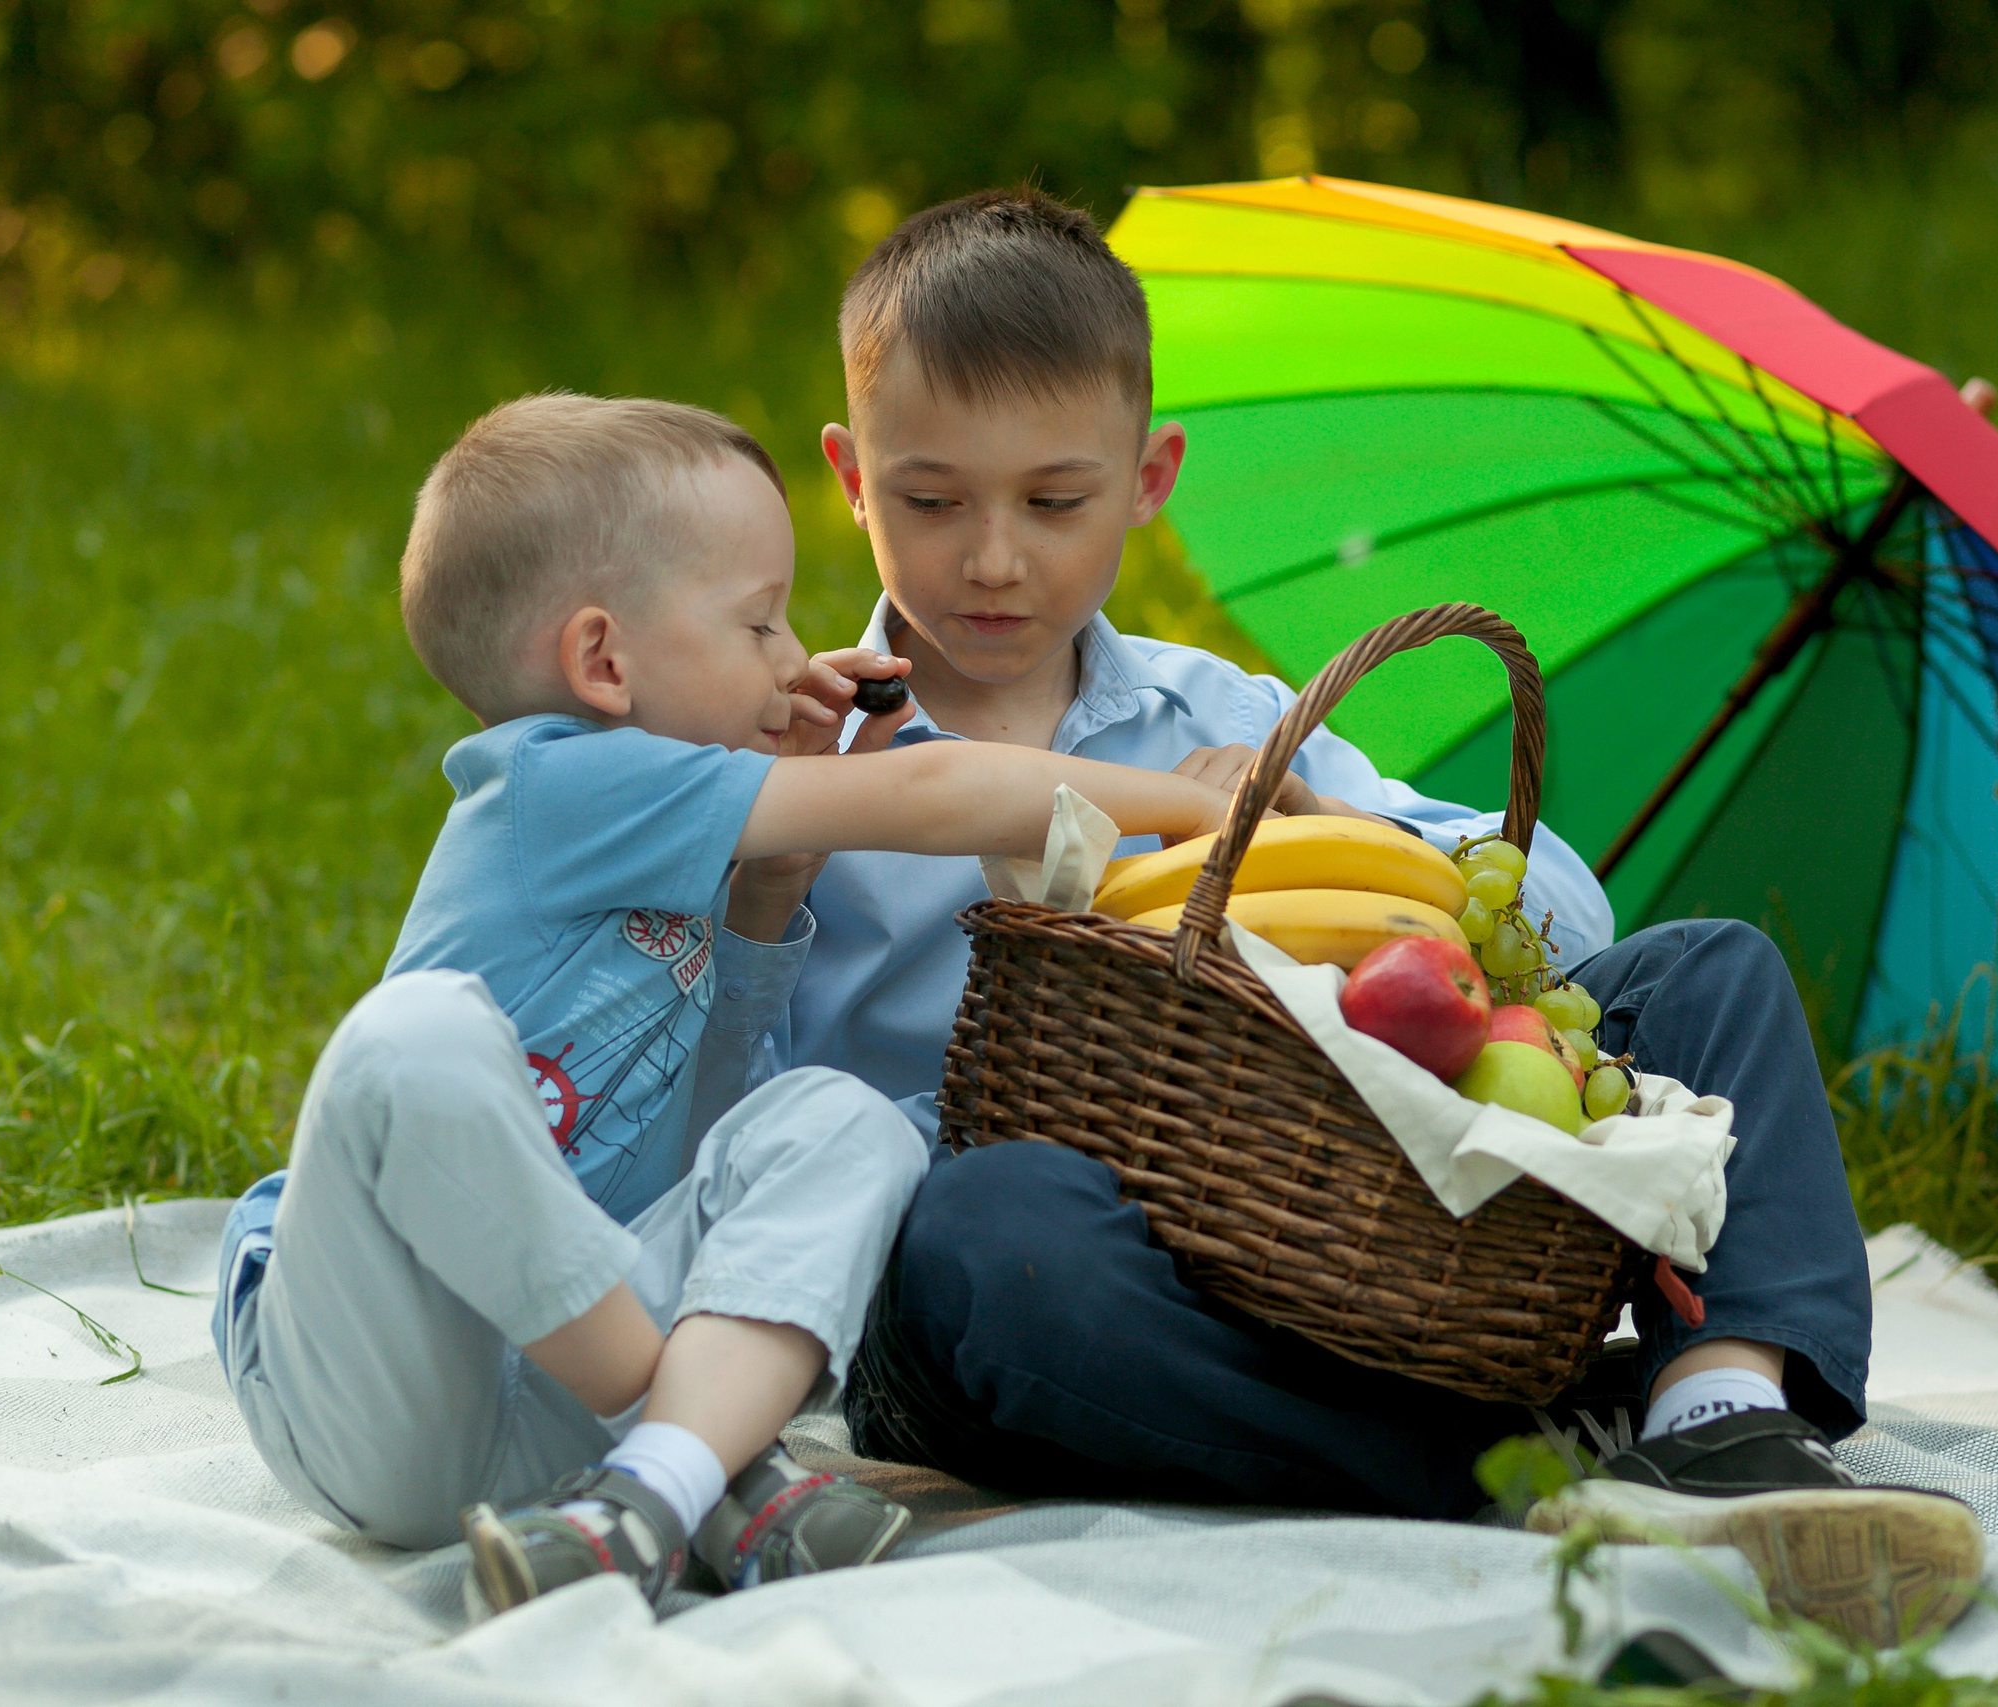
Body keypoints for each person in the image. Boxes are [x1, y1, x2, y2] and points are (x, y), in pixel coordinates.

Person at [763, 189, 1984, 1642]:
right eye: (932, 498)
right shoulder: (808, 753)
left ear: (1150, 475)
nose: (994, 559)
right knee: (986, 1226)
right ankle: (1512, 1461)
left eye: (1054, 499)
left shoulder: (1216, 714)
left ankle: (1721, 1403)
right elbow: (733, 1092)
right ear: (848, 474)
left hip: (1317, 1227)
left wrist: (1330, 830)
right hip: (1053, 1287)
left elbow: (1555, 912)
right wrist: (768, 863)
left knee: (1705, 975)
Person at [210, 393, 1243, 1621]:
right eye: (757, 622)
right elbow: (933, 795)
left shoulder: (696, 851)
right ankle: (713, 1470)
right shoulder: (556, 782)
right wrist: (1193, 810)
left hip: (566, 1428)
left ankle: (650, 1496)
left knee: (841, 1117)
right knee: (408, 1037)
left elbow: (699, 1127)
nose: (791, 657)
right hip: (377, 1380)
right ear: (603, 662)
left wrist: (765, 895)